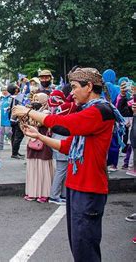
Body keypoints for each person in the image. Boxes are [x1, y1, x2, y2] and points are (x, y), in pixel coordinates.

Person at [12, 67, 126, 262]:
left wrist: (29, 111)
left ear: (89, 86)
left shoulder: (101, 110)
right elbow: (67, 145)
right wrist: (39, 135)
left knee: (85, 250)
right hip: (76, 186)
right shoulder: (89, 111)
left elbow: (65, 125)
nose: (71, 92)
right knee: (78, 246)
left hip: (89, 189)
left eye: (74, 87)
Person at [22, 93, 54, 203]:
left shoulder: (47, 112)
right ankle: (32, 192)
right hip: (31, 142)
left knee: (43, 168)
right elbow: (24, 125)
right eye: (34, 98)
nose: (35, 101)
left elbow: (40, 123)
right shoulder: (30, 111)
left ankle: (45, 193)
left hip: (44, 143)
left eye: (38, 99)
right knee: (33, 167)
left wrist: (30, 113)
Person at [47, 90, 76, 205]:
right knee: (61, 171)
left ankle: (63, 195)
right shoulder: (67, 107)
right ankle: (54, 196)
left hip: (58, 141)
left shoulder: (56, 107)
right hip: (61, 142)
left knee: (64, 171)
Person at [8, 84, 25, 159]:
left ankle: (15, 152)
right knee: (18, 136)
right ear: (15, 90)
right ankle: (15, 153)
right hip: (16, 119)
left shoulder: (11, 98)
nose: (18, 88)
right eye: (17, 88)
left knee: (14, 136)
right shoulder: (16, 98)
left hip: (12, 119)